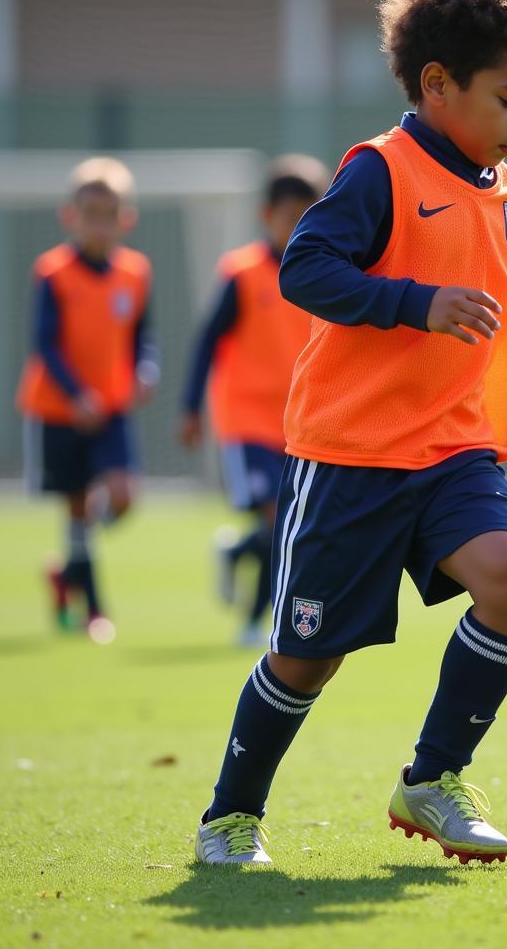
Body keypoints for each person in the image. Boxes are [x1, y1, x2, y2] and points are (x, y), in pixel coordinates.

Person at [194, 0, 507, 866]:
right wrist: (414, 301)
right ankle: (231, 819)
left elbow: (481, 319)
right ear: (438, 82)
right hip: (353, 458)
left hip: (456, 454)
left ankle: (432, 779)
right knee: (306, 661)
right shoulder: (381, 170)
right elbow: (306, 269)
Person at [179, 155, 329, 646]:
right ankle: (252, 622)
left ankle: (238, 551)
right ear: (267, 216)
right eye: (291, 217)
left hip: (302, 424)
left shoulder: (327, 274)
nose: (299, 227)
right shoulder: (242, 273)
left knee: (289, 522)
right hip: (247, 420)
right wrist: (189, 408)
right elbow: (207, 340)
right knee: (278, 517)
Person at [17, 157, 159, 643]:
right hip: (60, 410)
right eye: (90, 212)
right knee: (77, 509)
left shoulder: (135, 273)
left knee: (122, 496)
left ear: (126, 218)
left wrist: (146, 368)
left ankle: (66, 573)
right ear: (71, 216)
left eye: (109, 212)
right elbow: (46, 344)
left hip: (112, 408)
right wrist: (76, 396)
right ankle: (93, 611)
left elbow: (144, 334)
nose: (99, 223)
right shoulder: (53, 272)